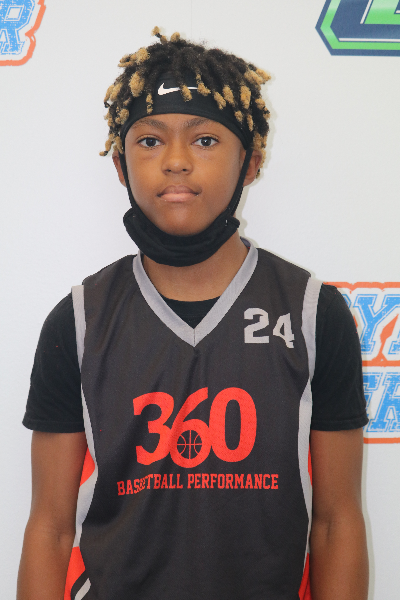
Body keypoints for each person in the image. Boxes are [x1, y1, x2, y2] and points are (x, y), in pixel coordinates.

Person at [17, 27, 369, 600]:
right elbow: (50, 529)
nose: (176, 162)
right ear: (121, 166)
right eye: (150, 141)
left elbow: (337, 521)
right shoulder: (78, 321)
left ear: (250, 163)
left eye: (205, 140)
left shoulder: (311, 313)